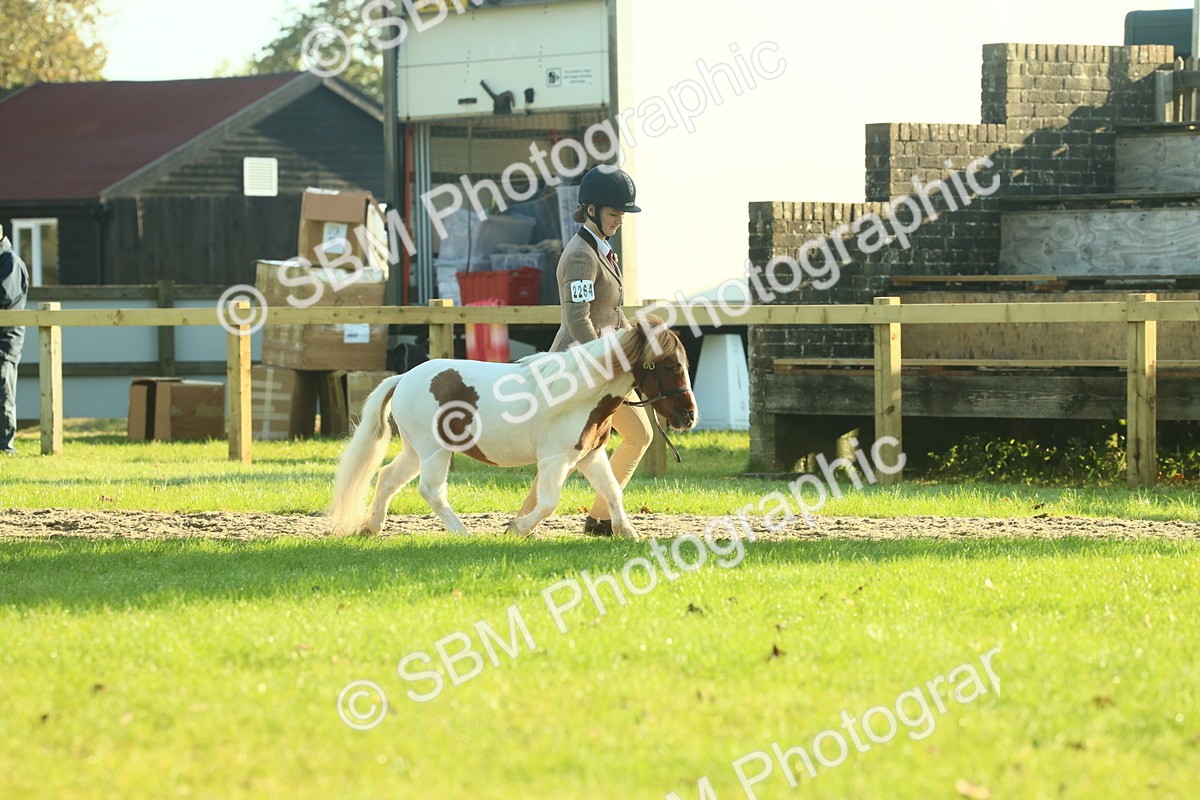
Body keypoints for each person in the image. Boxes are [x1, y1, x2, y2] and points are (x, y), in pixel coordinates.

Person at [522, 165, 653, 536]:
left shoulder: (603, 250)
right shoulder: (580, 255)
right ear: (591, 210)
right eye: (615, 214)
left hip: (604, 362)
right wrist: (606, 364)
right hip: (579, 365)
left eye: (623, 214)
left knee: (633, 436)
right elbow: (578, 320)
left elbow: (611, 312)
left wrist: (638, 346)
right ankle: (530, 523)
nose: (620, 221)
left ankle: (598, 519)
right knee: (566, 450)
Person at [0, 225, 29, 455]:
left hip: (5, 339)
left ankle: (4, 445)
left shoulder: (9, 262)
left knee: (3, 389)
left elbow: (4, 296)